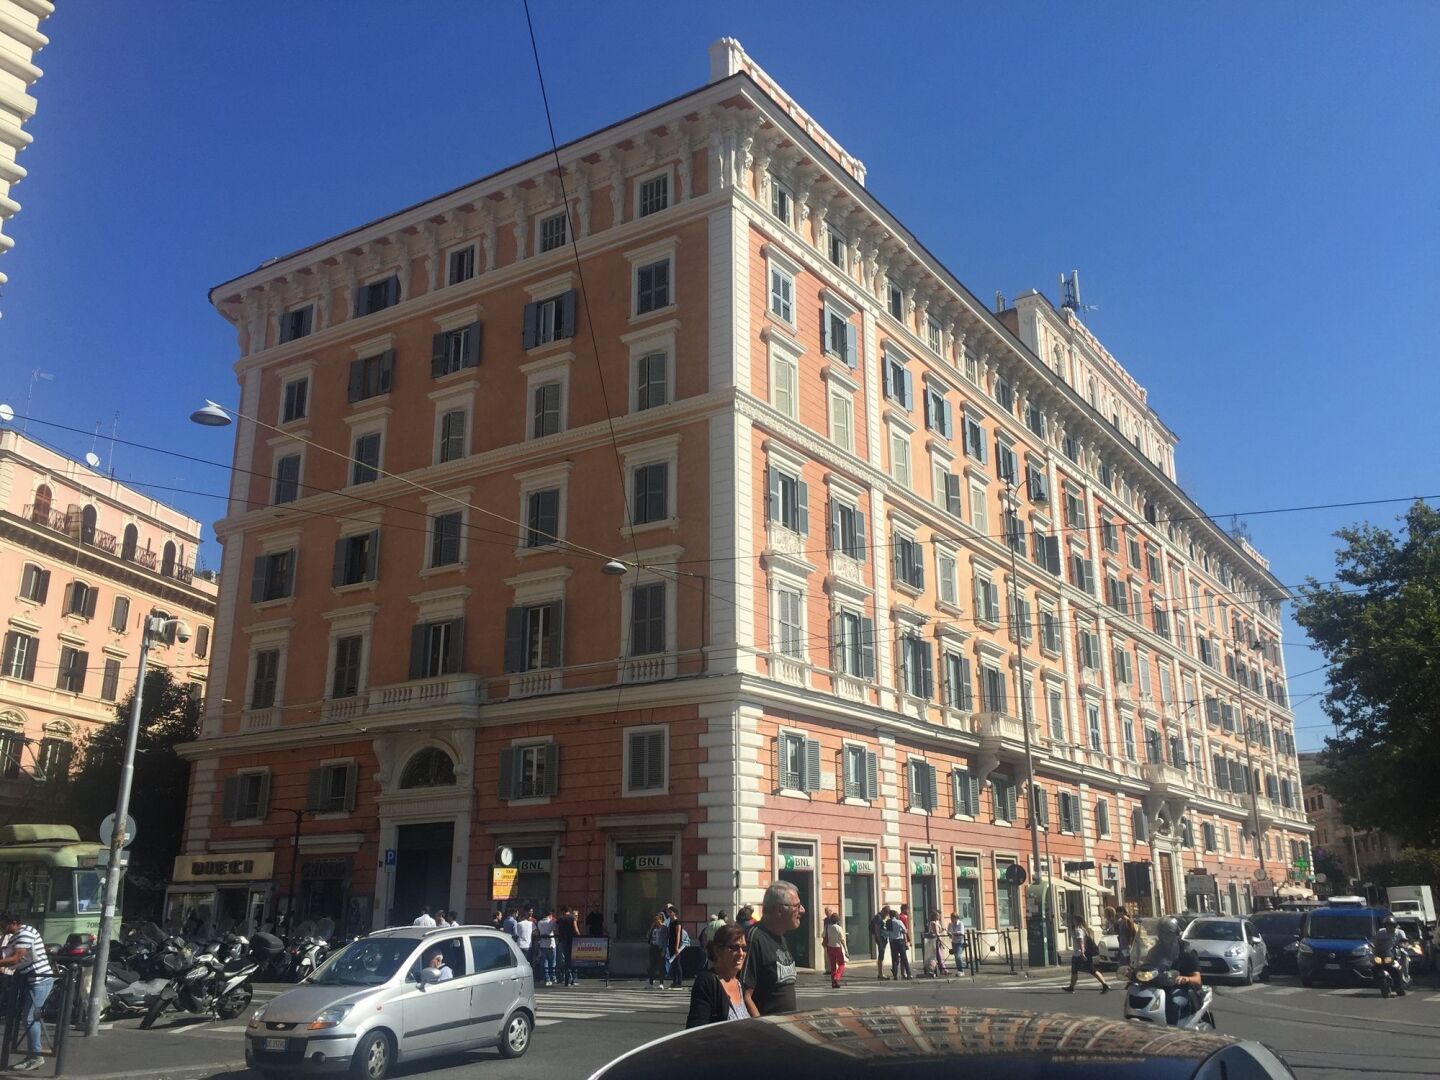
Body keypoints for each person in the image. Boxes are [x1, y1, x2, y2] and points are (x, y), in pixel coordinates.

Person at [0, 912, 54, 1071]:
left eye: (3, 924)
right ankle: (32, 1055)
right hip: (28, 980)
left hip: (40, 981)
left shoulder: (25, 933)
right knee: (26, 1016)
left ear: (14, 922)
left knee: (30, 1017)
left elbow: (16, 958)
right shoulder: (15, 936)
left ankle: (36, 1056)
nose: (1, 927)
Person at [741, 882, 801, 1016]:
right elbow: (745, 995)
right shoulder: (754, 938)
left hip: (786, 1029)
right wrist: (763, 1027)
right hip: (767, 1031)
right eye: (796, 906)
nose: (802, 910)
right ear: (779, 910)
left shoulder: (782, 937)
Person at [687, 923, 756, 1026]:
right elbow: (696, 1030)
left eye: (744, 948)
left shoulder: (739, 983)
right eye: (734, 947)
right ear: (718, 950)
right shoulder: (707, 982)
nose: (741, 953)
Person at [1141, 916, 1202, 1024]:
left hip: (1181, 989)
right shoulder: (1156, 950)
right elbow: (1146, 965)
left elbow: (1197, 979)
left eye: (1168, 933)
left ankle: (1173, 1032)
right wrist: (1134, 971)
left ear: (1175, 934)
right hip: (1158, 987)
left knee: (1172, 1003)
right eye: (1162, 933)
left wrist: (1185, 978)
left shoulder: (1186, 951)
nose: (1164, 936)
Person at [1064, 915, 1110, 994]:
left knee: (1077, 970)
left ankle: (1104, 984)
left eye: (1074, 920)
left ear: (1077, 921)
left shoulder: (1078, 930)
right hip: (1082, 953)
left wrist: (1082, 952)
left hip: (1079, 954)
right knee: (1090, 970)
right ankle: (1104, 984)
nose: (1072, 921)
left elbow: (1080, 942)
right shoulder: (1085, 930)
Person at [823, 911, 849, 988]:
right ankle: (836, 978)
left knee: (833, 966)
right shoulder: (839, 928)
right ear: (837, 920)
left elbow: (823, 935)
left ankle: (834, 983)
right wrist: (846, 950)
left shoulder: (827, 927)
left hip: (829, 947)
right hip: (837, 948)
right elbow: (842, 940)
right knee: (841, 964)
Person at [885, 907, 911, 980]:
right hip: (899, 941)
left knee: (894, 959)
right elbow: (905, 931)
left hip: (892, 942)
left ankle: (895, 975)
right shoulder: (899, 922)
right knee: (904, 957)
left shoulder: (888, 922)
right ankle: (909, 974)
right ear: (895, 915)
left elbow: (887, 932)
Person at [557, 905, 580, 987]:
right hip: (572, 940)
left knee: (565, 960)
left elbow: (557, 929)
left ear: (563, 911)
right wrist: (579, 935)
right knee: (572, 959)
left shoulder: (560, 918)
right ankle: (573, 979)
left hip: (563, 940)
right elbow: (575, 928)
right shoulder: (572, 917)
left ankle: (567, 978)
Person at [535, 908, 558, 986]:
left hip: (543, 944)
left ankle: (546, 977)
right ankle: (553, 977)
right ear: (550, 914)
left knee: (545, 961)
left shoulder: (539, 922)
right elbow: (555, 930)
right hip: (551, 944)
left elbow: (540, 931)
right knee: (552, 962)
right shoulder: (552, 922)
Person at [665, 903, 686, 989]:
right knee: (673, 964)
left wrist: (677, 947)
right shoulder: (671, 922)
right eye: (668, 912)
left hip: (676, 945)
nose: (668, 914)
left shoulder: (678, 922)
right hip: (671, 944)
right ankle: (674, 981)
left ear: (674, 913)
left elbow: (678, 934)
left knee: (677, 963)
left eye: (670, 912)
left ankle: (679, 982)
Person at [647, 912, 669, 990]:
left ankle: (661, 983)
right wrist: (651, 927)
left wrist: (664, 950)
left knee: (661, 967)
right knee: (652, 966)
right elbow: (648, 936)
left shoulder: (664, 928)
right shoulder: (654, 928)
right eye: (655, 920)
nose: (656, 921)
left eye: (657, 920)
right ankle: (651, 982)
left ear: (661, 919)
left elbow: (665, 940)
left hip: (660, 948)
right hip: (653, 947)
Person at [926, 913, 948, 977]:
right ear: (935, 916)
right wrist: (939, 940)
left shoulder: (937, 922)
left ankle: (942, 969)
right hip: (934, 940)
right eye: (937, 916)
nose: (939, 917)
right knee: (936, 956)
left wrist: (942, 929)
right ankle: (936, 970)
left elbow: (939, 931)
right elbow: (936, 932)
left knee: (939, 956)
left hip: (937, 940)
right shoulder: (933, 923)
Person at [870, 907, 890, 979]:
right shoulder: (878, 918)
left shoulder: (879, 917)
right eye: (886, 914)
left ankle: (881, 973)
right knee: (881, 955)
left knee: (882, 955)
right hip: (880, 939)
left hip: (882, 938)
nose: (886, 916)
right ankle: (880, 974)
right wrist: (880, 941)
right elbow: (877, 930)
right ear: (884, 912)